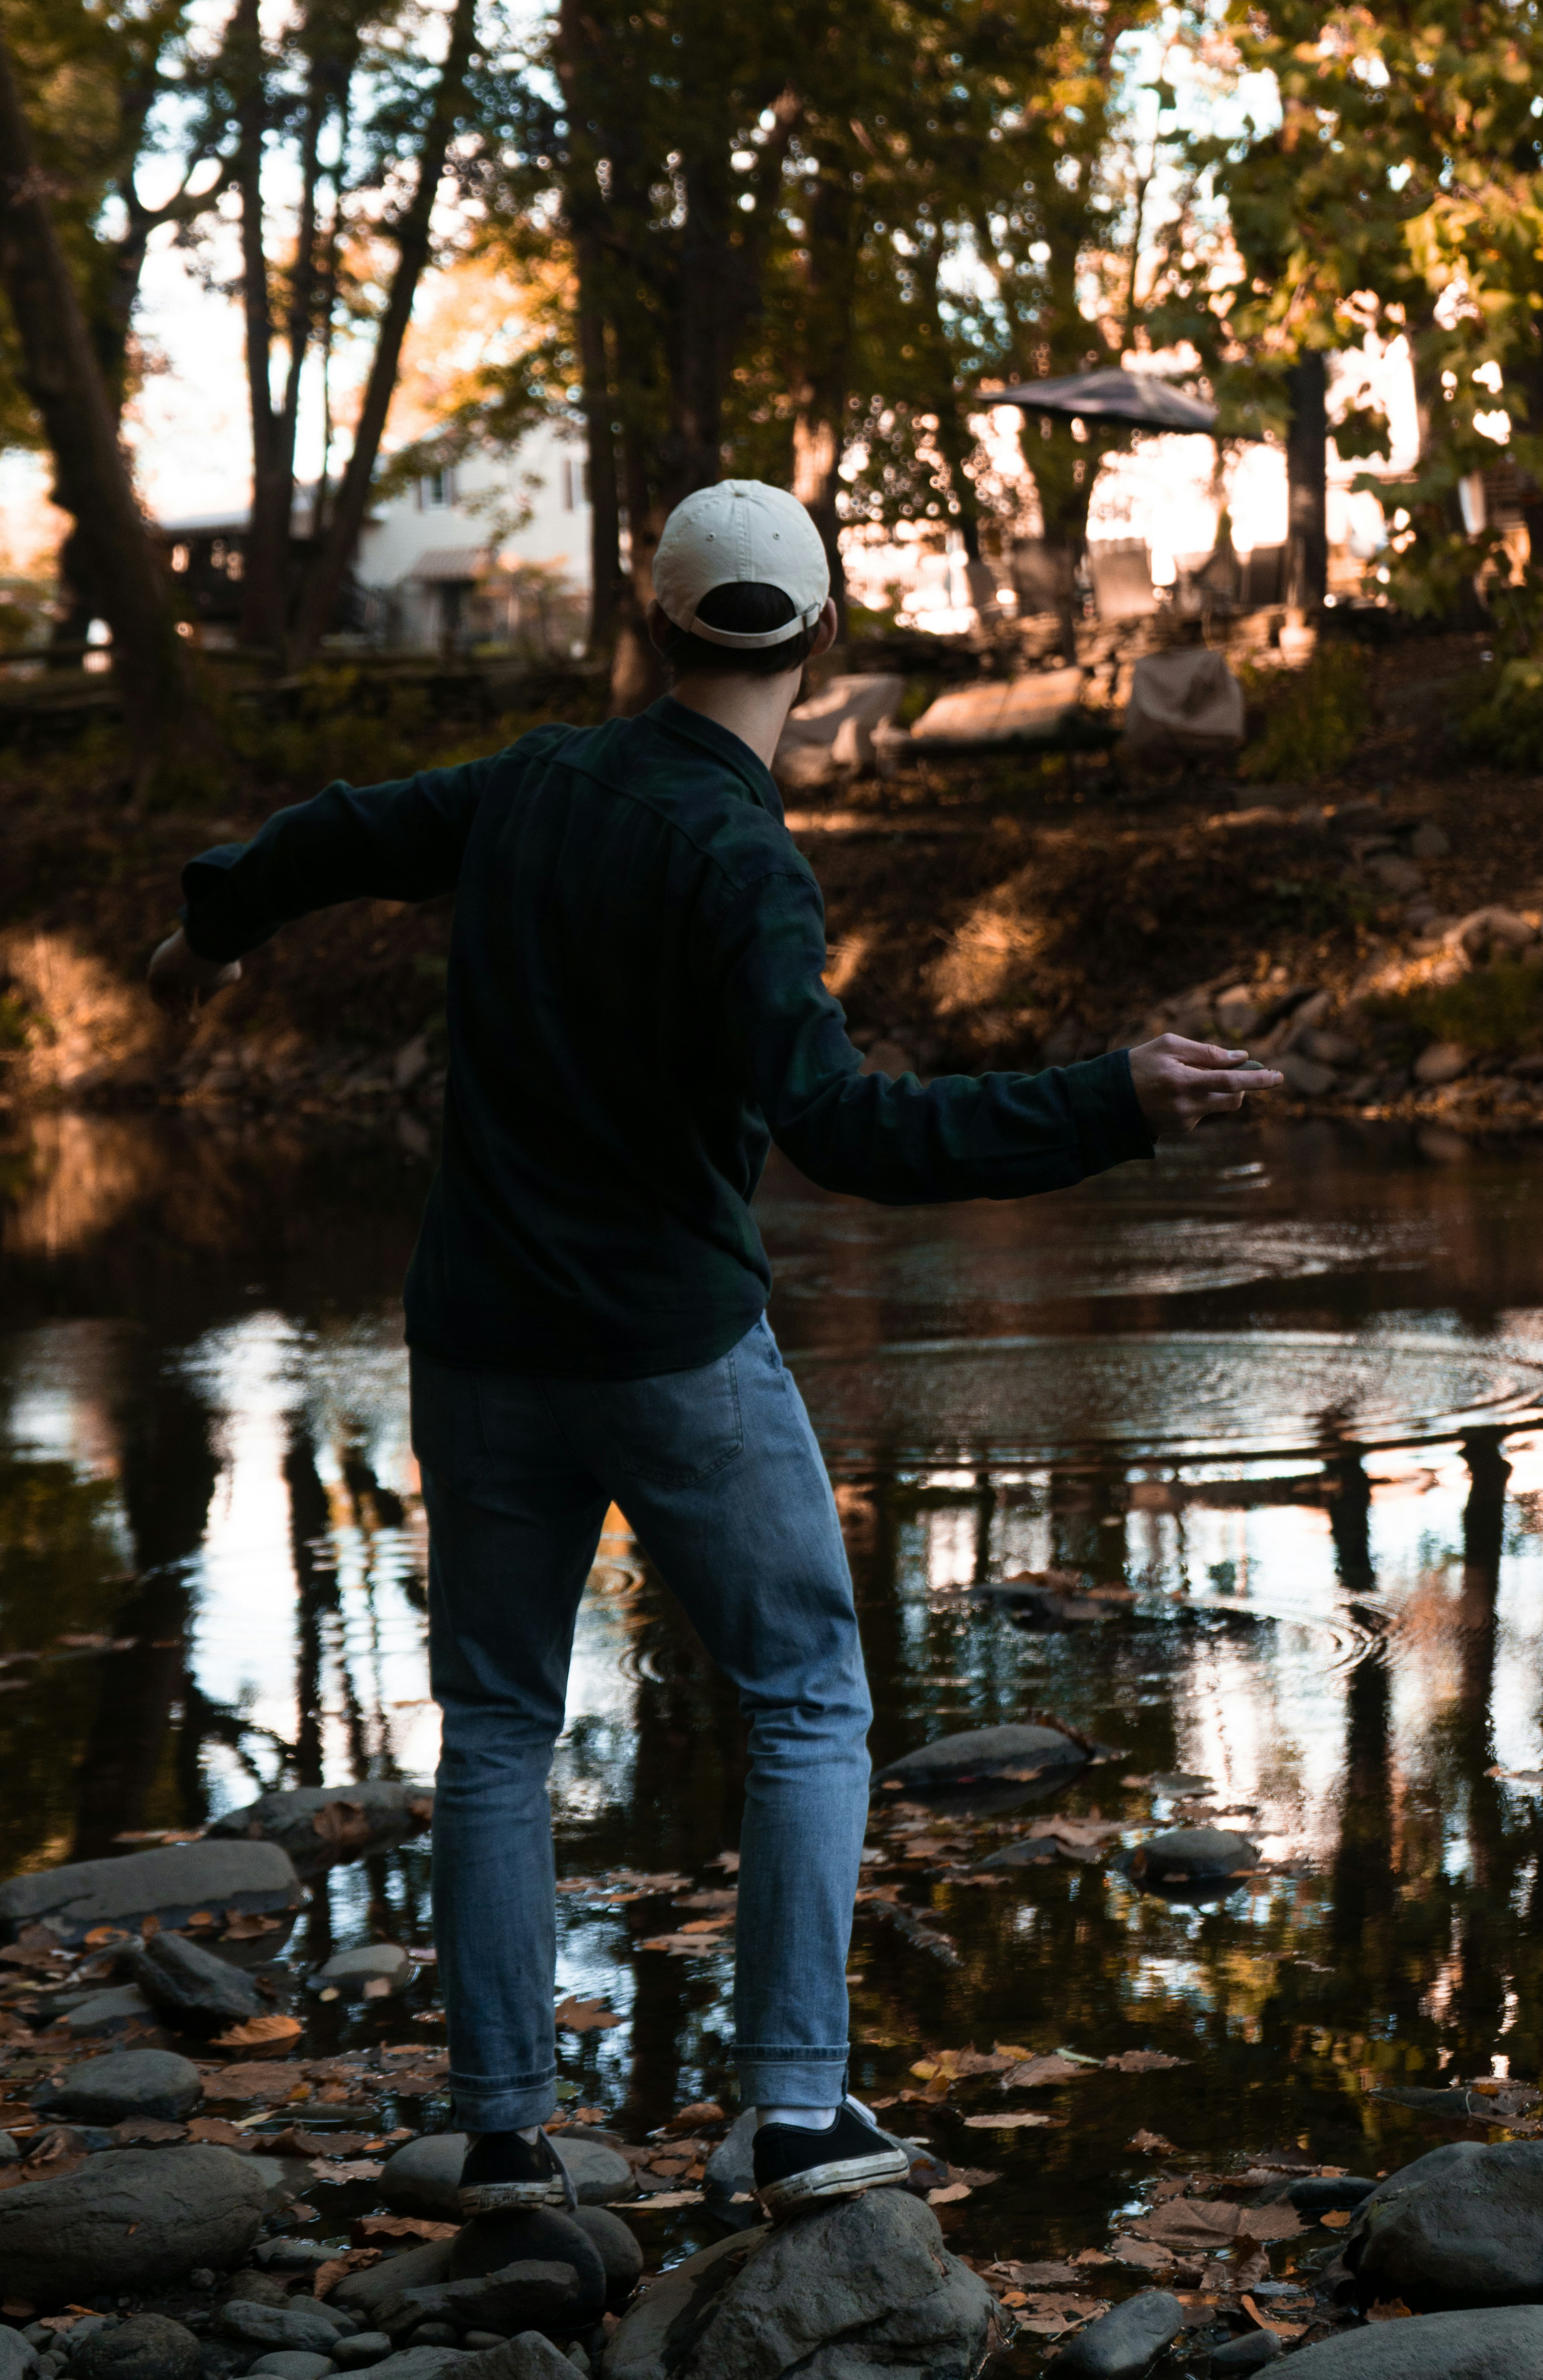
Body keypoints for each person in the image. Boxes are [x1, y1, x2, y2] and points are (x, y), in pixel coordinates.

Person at [149, 480, 1278, 2219]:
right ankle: (794, 2113)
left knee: (501, 1724)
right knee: (812, 1695)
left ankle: (507, 2134)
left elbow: (341, 831)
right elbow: (852, 1136)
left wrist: (215, 917)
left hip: (478, 1339)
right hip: (670, 1344)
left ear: (651, 616)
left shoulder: (530, 782)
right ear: (822, 643)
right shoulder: (743, 860)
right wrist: (1110, 1100)